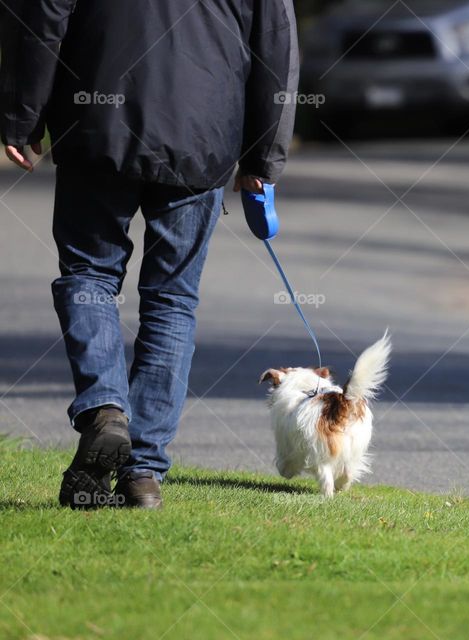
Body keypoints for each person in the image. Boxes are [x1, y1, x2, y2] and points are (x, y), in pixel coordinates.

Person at [0, 0, 298, 509]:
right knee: (172, 300)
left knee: (88, 274)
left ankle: (105, 408)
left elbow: (43, 19)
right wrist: (262, 155)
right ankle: (141, 472)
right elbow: (276, 46)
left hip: (96, 128)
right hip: (202, 136)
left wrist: (21, 116)